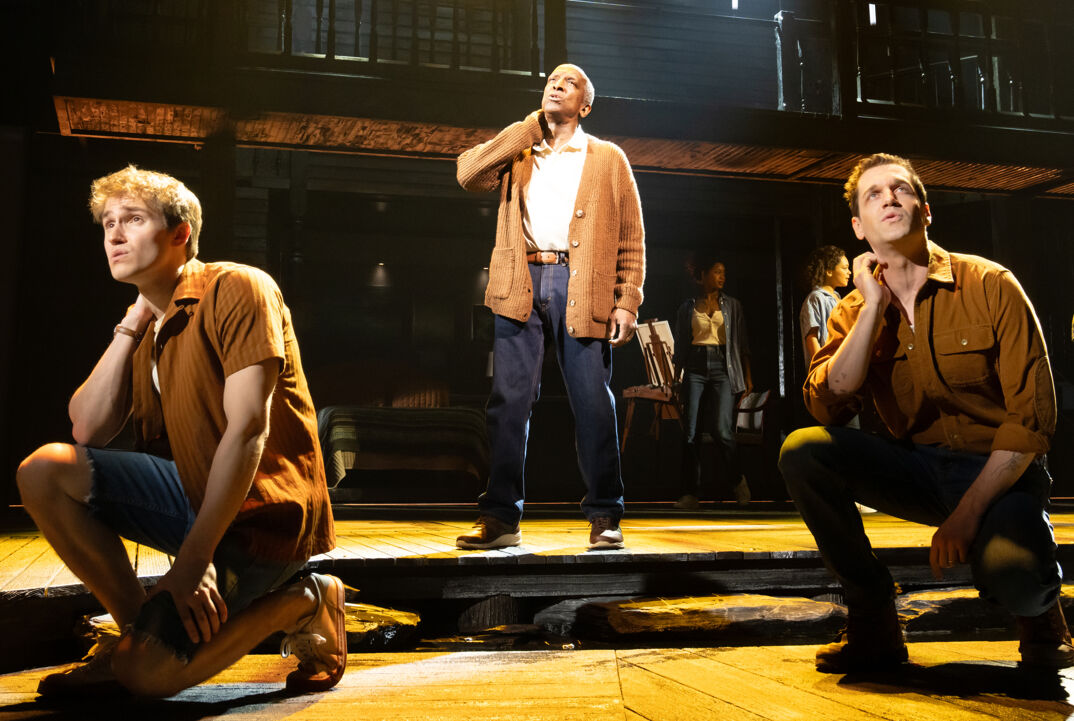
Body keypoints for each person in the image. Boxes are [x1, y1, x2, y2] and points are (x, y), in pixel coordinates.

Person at [16, 166, 345, 698]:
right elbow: (87, 427)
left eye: (134, 219)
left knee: (148, 675)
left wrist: (193, 564)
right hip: (197, 498)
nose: (115, 235)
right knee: (44, 471)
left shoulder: (238, 287)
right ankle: (135, 632)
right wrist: (131, 325)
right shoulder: (151, 325)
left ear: (180, 233)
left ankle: (304, 599)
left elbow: (248, 432)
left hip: (261, 518)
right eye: (108, 223)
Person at [779, 153, 1070, 673]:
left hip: (1002, 475)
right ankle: (873, 615)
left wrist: (966, 515)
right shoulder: (853, 308)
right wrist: (872, 307)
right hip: (920, 468)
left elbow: (1031, 422)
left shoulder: (989, 284)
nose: (889, 198)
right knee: (804, 451)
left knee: (1019, 578)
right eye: (873, 195)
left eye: (901, 189)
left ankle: (1042, 615)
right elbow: (827, 401)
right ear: (858, 227)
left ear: (926, 210)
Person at [454, 63, 645, 551]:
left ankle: (604, 515)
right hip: (519, 280)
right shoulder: (519, 151)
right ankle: (500, 518)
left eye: (570, 81)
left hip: (582, 283)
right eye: (552, 80)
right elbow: (468, 173)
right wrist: (525, 129)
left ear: (585, 104)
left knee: (592, 402)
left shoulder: (607, 157)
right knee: (508, 403)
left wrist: (628, 300)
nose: (557, 84)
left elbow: (631, 238)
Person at [672, 258, 752, 510]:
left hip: (723, 366)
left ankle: (738, 482)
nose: (721, 277)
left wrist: (747, 377)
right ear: (703, 274)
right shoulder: (687, 307)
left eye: (723, 273)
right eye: (716, 272)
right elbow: (680, 345)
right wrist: (676, 377)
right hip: (694, 366)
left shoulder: (733, 306)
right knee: (691, 431)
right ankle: (690, 493)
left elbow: (742, 343)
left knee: (722, 429)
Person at [799, 246, 851, 363]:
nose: (849, 272)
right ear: (829, 271)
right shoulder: (816, 298)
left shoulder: (838, 299)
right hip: (828, 367)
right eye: (844, 268)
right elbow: (812, 336)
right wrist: (820, 367)